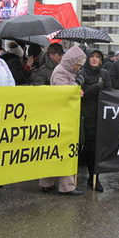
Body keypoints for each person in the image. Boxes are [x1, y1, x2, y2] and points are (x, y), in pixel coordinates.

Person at [38, 46, 86, 196]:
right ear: (72, 61)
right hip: (62, 116)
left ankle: (47, 182)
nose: (79, 67)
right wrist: (76, 87)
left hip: (61, 116)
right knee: (65, 151)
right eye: (78, 64)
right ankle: (67, 186)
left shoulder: (67, 71)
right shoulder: (60, 72)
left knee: (54, 151)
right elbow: (62, 94)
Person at [77, 48, 112, 192]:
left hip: (100, 115)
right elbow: (81, 94)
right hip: (87, 115)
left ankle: (95, 177)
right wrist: (95, 88)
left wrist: (104, 90)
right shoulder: (81, 73)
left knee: (98, 148)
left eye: (97, 56)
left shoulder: (104, 73)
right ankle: (90, 174)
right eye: (92, 56)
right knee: (88, 148)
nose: (95, 59)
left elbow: (110, 92)